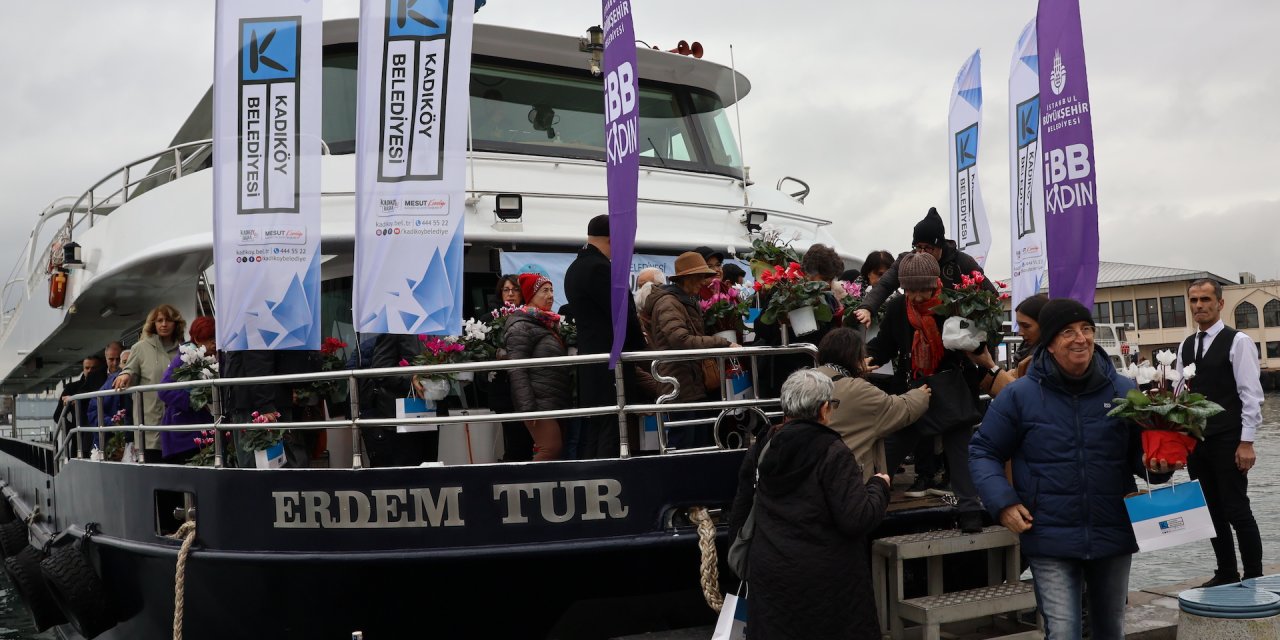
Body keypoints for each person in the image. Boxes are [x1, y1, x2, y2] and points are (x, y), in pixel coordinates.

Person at [970, 298, 1176, 640]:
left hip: (1113, 530)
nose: (1080, 338)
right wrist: (1003, 502)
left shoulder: (1124, 391)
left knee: (1111, 631)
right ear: (1049, 343)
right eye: (1068, 332)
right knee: (1063, 632)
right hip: (1048, 531)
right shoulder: (1019, 396)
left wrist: (1161, 465)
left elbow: (1143, 460)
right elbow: (983, 451)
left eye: (1086, 330)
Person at [727, 369, 891, 640]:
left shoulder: (763, 446)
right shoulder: (833, 452)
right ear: (824, 409)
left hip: (772, 577)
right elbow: (856, 518)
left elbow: (741, 507)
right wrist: (878, 486)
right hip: (828, 585)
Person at [866, 252, 984, 532]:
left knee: (959, 449)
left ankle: (970, 512)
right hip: (915, 389)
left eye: (923, 289)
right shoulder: (897, 308)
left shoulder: (955, 303)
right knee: (892, 447)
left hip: (952, 388)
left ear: (936, 282)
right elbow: (883, 347)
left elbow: (978, 345)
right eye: (911, 290)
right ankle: (866, 506)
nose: (917, 296)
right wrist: (861, 361)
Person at [1177, 278, 1264, 587]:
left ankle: (1254, 575)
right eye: (1194, 300)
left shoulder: (1237, 341)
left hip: (1229, 438)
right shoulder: (1186, 344)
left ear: (1220, 304)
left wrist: (1247, 442)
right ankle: (1226, 571)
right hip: (1197, 442)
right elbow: (1179, 396)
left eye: (1205, 300)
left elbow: (1250, 395)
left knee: (1237, 509)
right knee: (1210, 511)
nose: (1199, 305)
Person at [563, 214, 648, 458]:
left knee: (597, 427)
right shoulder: (600, 269)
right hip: (609, 360)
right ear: (612, 239)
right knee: (612, 427)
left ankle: (595, 475)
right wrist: (641, 351)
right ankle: (610, 475)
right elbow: (622, 314)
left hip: (591, 358)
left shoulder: (575, 268)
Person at [642, 252, 737, 449]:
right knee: (684, 445)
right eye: (701, 276)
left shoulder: (682, 300)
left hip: (688, 383)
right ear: (689, 277)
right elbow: (680, 339)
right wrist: (722, 343)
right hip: (679, 385)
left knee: (696, 443)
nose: (704, 281)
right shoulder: (669, 302)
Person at [816, 328, 931, 481]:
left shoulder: (804, 380)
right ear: (854, 356)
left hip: (812, 475)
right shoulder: (858, 389)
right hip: (849, 479)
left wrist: (853, 371)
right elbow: (897, 409)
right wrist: (920, 395)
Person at [854, 207, 996, 327]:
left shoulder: (963, 262)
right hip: (916, 327)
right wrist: (867, 308)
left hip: (954, 333)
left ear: (940, 246)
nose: (921, 252)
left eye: (928, 248)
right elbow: (885, 284)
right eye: (918, 247)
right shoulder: (907, 261)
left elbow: (991, 296)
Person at [504, 274, 570, 460]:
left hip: (551, 399)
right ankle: (524, 487)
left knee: (553, 450)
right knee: (550, 449)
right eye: (544, 291)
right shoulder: (521, 326)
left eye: (551, 290)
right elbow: (517, 369)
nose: (550, 295)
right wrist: (528, 408)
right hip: (537, 403)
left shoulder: (545, 323)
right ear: (530, 295)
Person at [114, 304, 187, 459]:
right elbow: (130, 368)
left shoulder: (184, 350)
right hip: (150, 424)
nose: (164, 324)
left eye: (169, 320)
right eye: (159, 320)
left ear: (176, 324)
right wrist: (125, 375)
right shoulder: (140, 348)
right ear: (153, 324)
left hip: (178, 423)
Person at [157, 316, 217, 464]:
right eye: (209, 338)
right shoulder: (184, 358)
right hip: (184, 431)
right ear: (197, 339)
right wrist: (194, 400)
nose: (214, 342)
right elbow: (164, 390)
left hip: (202, 429)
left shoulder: (214, 356)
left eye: (216, 337)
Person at [488, 274, 534, 461]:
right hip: (503, 387)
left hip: (528, 384)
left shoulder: (531, 315)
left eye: (515, 290)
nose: (510, 294)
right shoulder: (488, 318)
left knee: (529, 435)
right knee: (512, 434)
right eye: (506, 290)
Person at [967, 293, 1049, 397]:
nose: (1020, 333)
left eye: (1026, 326)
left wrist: (990, 365)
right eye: (1019, 325)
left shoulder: (1048, 358)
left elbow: (1025, 396)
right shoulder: (1029, 351)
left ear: (1045, 324)